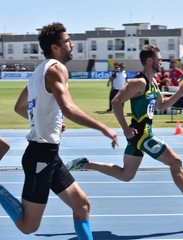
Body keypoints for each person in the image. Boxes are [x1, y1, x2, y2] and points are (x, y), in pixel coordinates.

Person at [0, 22, 118, 240]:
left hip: (49, 156)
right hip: (40, 157)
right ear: (55, 47)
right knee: (28, 227)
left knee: (81, 205)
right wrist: (102, 127)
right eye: (67, 41)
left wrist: (49, 123)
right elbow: (68, 107)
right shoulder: (56, 68)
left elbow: (19, 107)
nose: (71, 45)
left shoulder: (39, 71)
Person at [67, 44, 183, 214]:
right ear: (150, 60)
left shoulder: (153, 82)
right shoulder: (139, 82)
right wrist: (125, 128)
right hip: (142, 135)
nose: (162, 63)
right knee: (176, 162)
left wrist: (180, 93)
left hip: (139, 136)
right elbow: (116, 102)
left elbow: (161, 105)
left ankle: (86, 164)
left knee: (126, 175)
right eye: (159, 60)